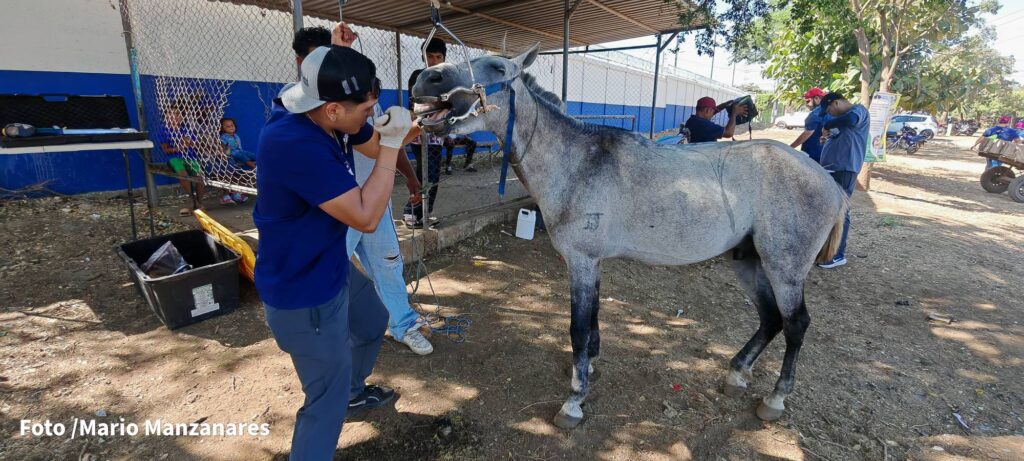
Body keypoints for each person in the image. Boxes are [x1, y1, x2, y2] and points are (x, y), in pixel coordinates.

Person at [255, 45, 418, 459]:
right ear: (332, 110)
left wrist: (426, 121)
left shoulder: (324, 112)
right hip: (302, 290)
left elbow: (374, 144)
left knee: (372, 319)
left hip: (329, 265)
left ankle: (352, 394)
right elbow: (365, 215)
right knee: (322, 405)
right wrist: (392, 145)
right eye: (367, 110)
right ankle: (334, 407)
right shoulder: (293, 142)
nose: (371, 115)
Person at [292, 24, 434, 355]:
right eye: (318, 58)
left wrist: (413, 166)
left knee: (388, 263)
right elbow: (382, 144)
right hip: (336, 207)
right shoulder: (304, 114)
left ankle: (402, 324)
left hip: (374, 195)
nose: (368, 114)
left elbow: (384, 143)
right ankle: (323, 337)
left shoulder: (357, 95)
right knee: (331, 274)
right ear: (301, 63)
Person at [816, 92, 869, 269]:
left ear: (836, 103)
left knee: (840, 211)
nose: (830, 114)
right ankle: (825, 250)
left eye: (829, 110)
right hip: (832, 168)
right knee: (829, 209)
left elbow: (851, 120)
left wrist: (828, 125)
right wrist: (826, 138)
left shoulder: (858, 111)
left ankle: (837, 255)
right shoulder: (842, 119)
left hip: (845, 170)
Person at [404, 37, 449, 228]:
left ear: (444, 58)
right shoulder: (419, 76)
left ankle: (424, 213)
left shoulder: (447, 78)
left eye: (438, 57)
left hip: (437, 135)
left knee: (433, 176)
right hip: (420, 133)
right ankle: (411, 212)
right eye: (430, 56)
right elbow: (418, 104)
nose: (434, 61)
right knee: (425, 175)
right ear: (424, 57)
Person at [159, 106, 206, 216]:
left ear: (181, 118)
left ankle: (199, 203)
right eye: (171, 115)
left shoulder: (186, 129)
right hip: (174, 158)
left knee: (200, 177)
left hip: (190, 157)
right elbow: (166, 150)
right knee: (182, 174)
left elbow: (194, 144)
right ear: (166, 118)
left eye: (177, 114)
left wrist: (191, 143)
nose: (174, 117)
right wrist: (179, 148)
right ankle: (195, 203)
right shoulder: (164, 131)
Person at [683, 96, 748, 143]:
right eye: (712, 111)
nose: (712, 114)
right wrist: (734, 114)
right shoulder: (705, 125)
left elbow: (709, 113)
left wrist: (724, 105)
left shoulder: (692, 120)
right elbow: (729, 133)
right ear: (708, 110)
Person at [218, 117, 253, 204]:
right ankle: (226, 196)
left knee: (250, 155)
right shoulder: (223, 138)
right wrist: (225, 153)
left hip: (239, 156)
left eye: (232, 125)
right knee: (229, 175)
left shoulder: (236, 136)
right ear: (222, 129)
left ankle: (236, 194)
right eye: (227, 126)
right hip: (230, 158)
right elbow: (224, 150)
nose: (231, 127)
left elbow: (240, 148)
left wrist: (243, 156)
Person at [789, 87, 828, 162]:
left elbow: (807, 133)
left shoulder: (816, 114)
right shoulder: (831, 111)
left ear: (816, 98)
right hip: (825, 152)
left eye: (808, 101)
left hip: (812, 153)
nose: (807, 105)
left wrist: (790, 148)